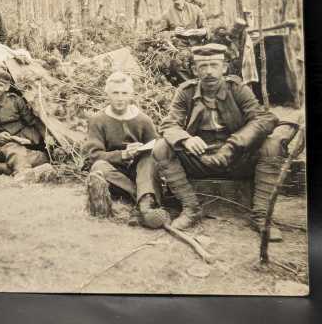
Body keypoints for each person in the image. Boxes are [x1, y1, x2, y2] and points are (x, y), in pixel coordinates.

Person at [152, 44, 284, 240]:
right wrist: (185, 139)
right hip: (200, 160)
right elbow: (169, 124)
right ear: (195, 70)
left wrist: (233, 145)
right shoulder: (186, 92)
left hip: (236, 159)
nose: (209, 72)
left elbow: (264, 119)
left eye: (214, 65)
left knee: (272, 145)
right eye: (203, 66)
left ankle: (262, 216)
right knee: (161, 147)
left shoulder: (238, 89)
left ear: (224, 68)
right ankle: (191, 209)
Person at [84, 72, 161, 227]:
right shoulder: (98, 120)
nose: (120, 98)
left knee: (149, 159)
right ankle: (143, 197)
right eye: (115, 93)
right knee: (98, 167)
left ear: (131, 94)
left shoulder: (143, 120)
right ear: (107, 94)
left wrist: (141, 150)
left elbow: (157, 147)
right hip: (115, 177)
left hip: (138, 173)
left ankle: (144, 205)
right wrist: (123, 154)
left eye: (124, 93)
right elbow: (94, 155)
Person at [0, 69, 49, 176]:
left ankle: (4, 167)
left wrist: (29, 140)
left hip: (23, 141)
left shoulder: (15, 101)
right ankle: (23, 172)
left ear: (7, 87)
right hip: (1, 145)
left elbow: (32, 122)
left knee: (42, 157)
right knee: (12, 150)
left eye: (0, 85)